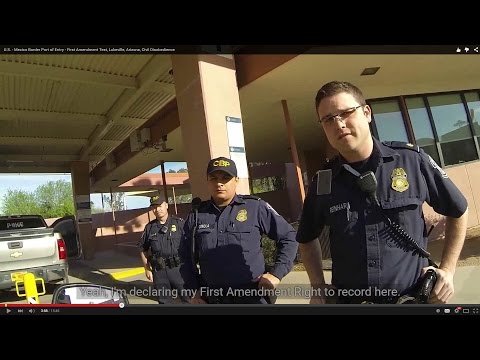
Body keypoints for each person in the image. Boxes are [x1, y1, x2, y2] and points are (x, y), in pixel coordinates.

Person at [296, 81, 469, 304]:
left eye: (346, 113)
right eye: (328, 119)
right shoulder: (323, 182)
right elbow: (306, 237)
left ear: (366, 112)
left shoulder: (411, 161)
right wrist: (317, 285)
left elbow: (458, 210)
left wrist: (448, 270)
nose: (339, 124)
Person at [179, 156, 298, 304]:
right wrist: (194, 291)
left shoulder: (255, 207)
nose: (219, 183)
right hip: (213, 300)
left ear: (236, 180)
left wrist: (276, 274)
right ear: (207, 181)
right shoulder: (196, 216)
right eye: (214, 178)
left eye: (225, 178)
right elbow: (185, 257)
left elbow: (289, 237)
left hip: (252, 298)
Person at [138, 194, 189, 304]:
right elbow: (143, 248)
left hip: (179, 270)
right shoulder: (149, 228)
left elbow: (190, 245)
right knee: (164, 302)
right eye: (154, 207)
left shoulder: (179, 223)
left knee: (188, 299)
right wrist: (147, 269)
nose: (157, 209)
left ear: (166, 205)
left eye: (160, 206)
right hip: (159, 272)